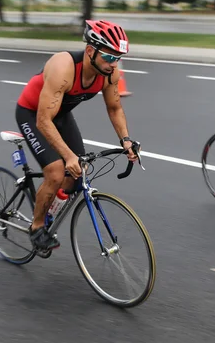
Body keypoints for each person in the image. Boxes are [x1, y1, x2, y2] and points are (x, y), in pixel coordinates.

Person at [15, 19, 139, 250]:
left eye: (118, 58)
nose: (114, 64)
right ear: (91, 50)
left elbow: (114, 108)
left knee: (78, 172)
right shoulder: (64, 66)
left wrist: (126, 140)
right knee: (55, 171)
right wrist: (68, 156)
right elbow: (43, 121)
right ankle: (37, 226)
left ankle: (49, 205)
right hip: (33, 114)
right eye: (110, 57)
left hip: (60, 115)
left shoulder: (110, 72)